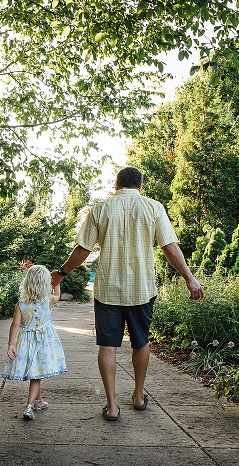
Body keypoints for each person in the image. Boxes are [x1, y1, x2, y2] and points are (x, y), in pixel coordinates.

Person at [51, 166, 203, 422]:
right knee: (141, 341)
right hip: (141, 290)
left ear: (116, 184)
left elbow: (82, 250)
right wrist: (190, 279)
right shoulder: (154, 208)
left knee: (108, 345)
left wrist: (61, 273)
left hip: (108, 290)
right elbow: (170, 247)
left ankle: (111, 406)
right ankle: (139, 396)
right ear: (140, 186)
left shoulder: (100, 209)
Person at [2, 264, 68, 420]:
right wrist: (56, 284)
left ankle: (39, 401)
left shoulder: (21, 304)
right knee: (36, 375)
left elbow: (15, 324)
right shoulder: (48, 300)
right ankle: (29, 407)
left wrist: (11, 344)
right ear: (46, 282)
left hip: (26, 342)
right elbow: (57, 296)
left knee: (35, 372)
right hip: (43, 342)